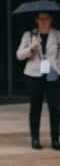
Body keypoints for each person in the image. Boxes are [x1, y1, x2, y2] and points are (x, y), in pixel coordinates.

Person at [16, 11, 60, 150]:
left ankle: (55, 139)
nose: (43, 21)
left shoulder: (57, 34)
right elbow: (19, 55)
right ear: (36, 20)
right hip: (34, 75)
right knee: (35, 107)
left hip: (52, 74)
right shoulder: (29, 35)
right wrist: (31, 48)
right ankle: (35, 139)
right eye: (41, 19)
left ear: (51, 20)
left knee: (55, 108)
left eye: (46, 18)